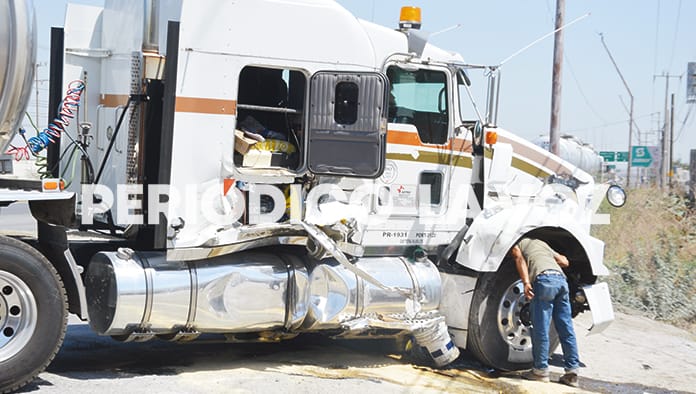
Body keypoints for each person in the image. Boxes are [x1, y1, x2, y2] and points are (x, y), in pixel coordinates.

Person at [511, 237, 580, 388]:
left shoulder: (518, 242)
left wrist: (526, 282)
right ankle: (572, 373)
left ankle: (540, 371)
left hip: (544, 281)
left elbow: (518, 257)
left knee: (541, 328)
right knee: (566, 328)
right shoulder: (542, 243)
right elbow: (564, 261)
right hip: (561, 281)